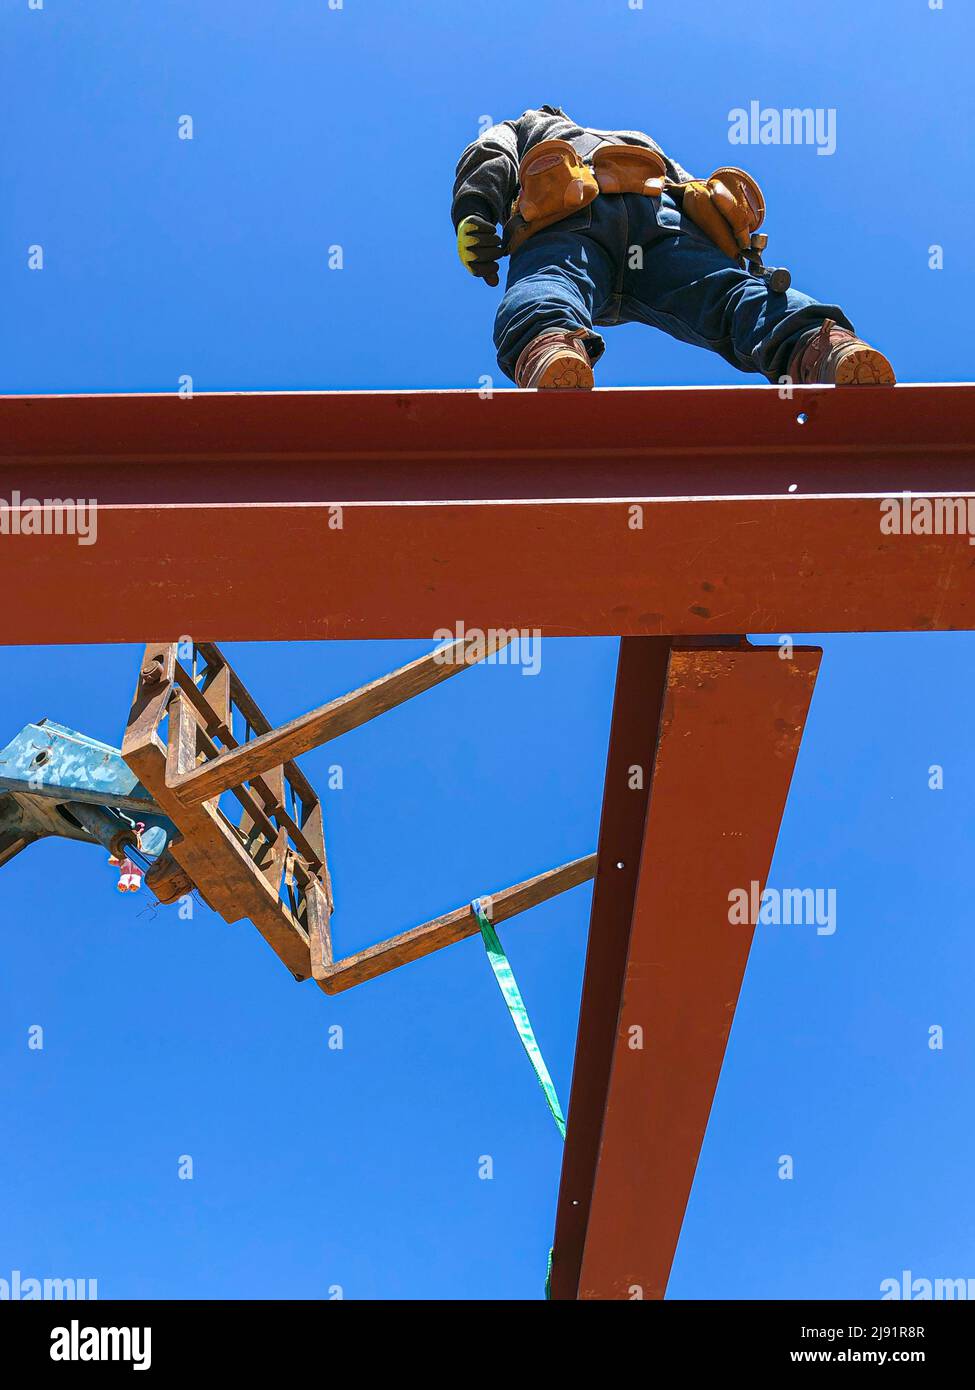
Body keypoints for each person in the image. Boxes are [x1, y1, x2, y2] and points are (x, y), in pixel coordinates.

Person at [453, 105, 895, 389]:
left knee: (724, 290)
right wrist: (475, 208)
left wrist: (742, 250)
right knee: (557, 279)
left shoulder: (620, 135)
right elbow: (495, 149)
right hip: (594, 213)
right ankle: (550, 346)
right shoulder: (537, 124)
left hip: (639, 214)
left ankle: (818, 346)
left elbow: (691, 189)